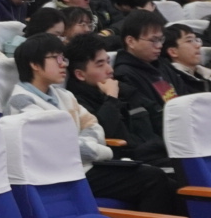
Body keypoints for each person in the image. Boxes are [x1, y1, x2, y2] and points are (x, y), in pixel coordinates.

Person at [8, 34, 186, 215]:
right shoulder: (22, 101)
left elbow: (93, 125)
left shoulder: (64, 95)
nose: (64, 64)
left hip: (87, 165)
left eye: (64, 58)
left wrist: (86, 145)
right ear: (35, 65)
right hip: (63, 173)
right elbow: (61, 147)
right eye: (56, 58)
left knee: (167, 180)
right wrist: (102, 151)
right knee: (152, 178)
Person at [63, 33, 166, 163]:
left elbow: (157, 116)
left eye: (108, 62)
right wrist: (111, 97)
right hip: (128, 161)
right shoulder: (76, 102)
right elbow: (100, 132)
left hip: (156, 152)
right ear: (80, 75)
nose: (110, 70)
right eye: (100, 65)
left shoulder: (124, 89)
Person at [160, 23, 211, 95]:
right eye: (189, 41)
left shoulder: (209, 76)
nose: (198, 45)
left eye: (196, 40)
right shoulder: (170, 81)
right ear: (173, 52)